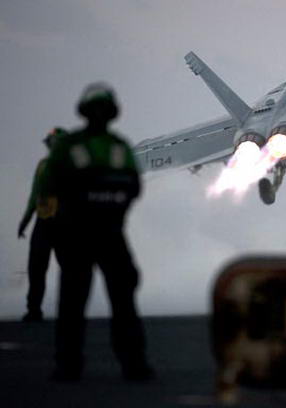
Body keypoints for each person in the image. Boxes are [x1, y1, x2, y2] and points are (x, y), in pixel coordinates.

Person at [40, 83, 153, 381]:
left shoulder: (112, 147)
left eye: (103, 108)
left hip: (103, 233)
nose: (100, 113)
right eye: (96, 108)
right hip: (85, 234)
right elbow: (49, 188)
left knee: (117, 298)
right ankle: (73, 364)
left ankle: (130, 363)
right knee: (78, 301)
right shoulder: (83, 147)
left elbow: (133, 186)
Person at [18, 128, 68, 322]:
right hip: (44, 221)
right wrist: (25, 220)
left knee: (69, 269)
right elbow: (34, 195)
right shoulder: (43, 165)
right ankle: (34, 309)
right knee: (36, 268)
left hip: (65, 223)